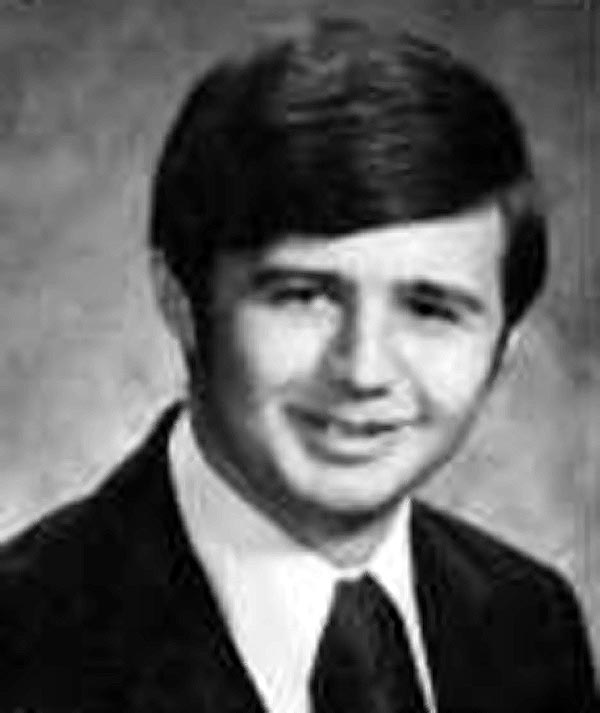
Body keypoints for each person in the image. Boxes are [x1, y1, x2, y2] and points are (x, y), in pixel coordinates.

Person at [0, 16, 596, 713]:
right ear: (181, 301)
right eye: (303, 295)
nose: (364, 371)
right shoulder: (23, 642)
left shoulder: (529, 621)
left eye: (430, 308)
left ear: (501, 348)